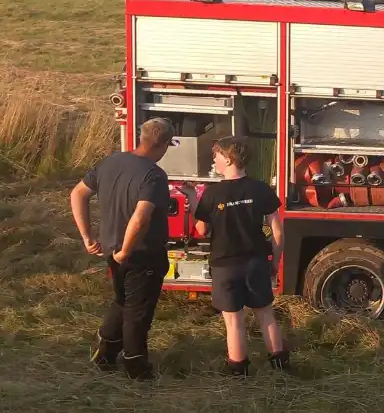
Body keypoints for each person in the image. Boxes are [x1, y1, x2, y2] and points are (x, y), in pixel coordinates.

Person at [70, 117, 175, 381]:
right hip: (142, 254)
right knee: (138, 311)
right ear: (162, 144)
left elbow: (77, 194)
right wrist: (127, 250)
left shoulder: (111, 162)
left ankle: (104, 353)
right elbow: (140, 218)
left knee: (122, 301)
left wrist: (88, 237)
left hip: (111, 248)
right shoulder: (154, 175)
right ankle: (136, 366)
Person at [193, 136, 289, 377]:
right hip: (255, 262)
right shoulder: (260, 189)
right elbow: (277, 231)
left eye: (216, 155)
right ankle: (280, 366)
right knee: (265, 314)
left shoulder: (212, 194)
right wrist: (275, 263)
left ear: (228, 159)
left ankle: (238, 370)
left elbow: (202, 230)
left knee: (234, 322)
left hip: (225, 266)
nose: (213, 159)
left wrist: (193, 199)